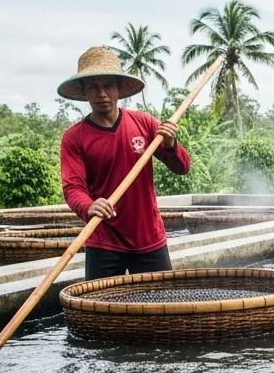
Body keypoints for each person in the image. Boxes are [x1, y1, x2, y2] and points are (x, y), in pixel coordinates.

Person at [58, 46, 189, 279]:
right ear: (84, 92)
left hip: (148, 237)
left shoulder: (145, 124)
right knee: (100, 309)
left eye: (108, 86)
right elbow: (73, 188)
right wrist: (89, 206)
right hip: (103, 238)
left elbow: (182, 168)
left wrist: (171, 145)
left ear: (119, 89)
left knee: (160, 307)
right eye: (93, 87)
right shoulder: (74, 137)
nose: (102, 94)